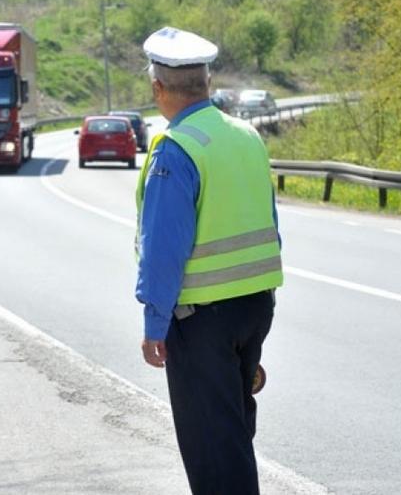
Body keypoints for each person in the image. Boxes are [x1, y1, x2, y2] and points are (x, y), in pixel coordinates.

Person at [135, 27, 283, 495]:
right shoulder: (246, 136)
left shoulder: (176, 149)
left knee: (212, 449)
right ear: (207, 83)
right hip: (255, 306)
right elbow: (271, 223)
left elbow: (164, 248)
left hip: (201, 320)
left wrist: (154, 324)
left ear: (159, 88)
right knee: (234, 435)